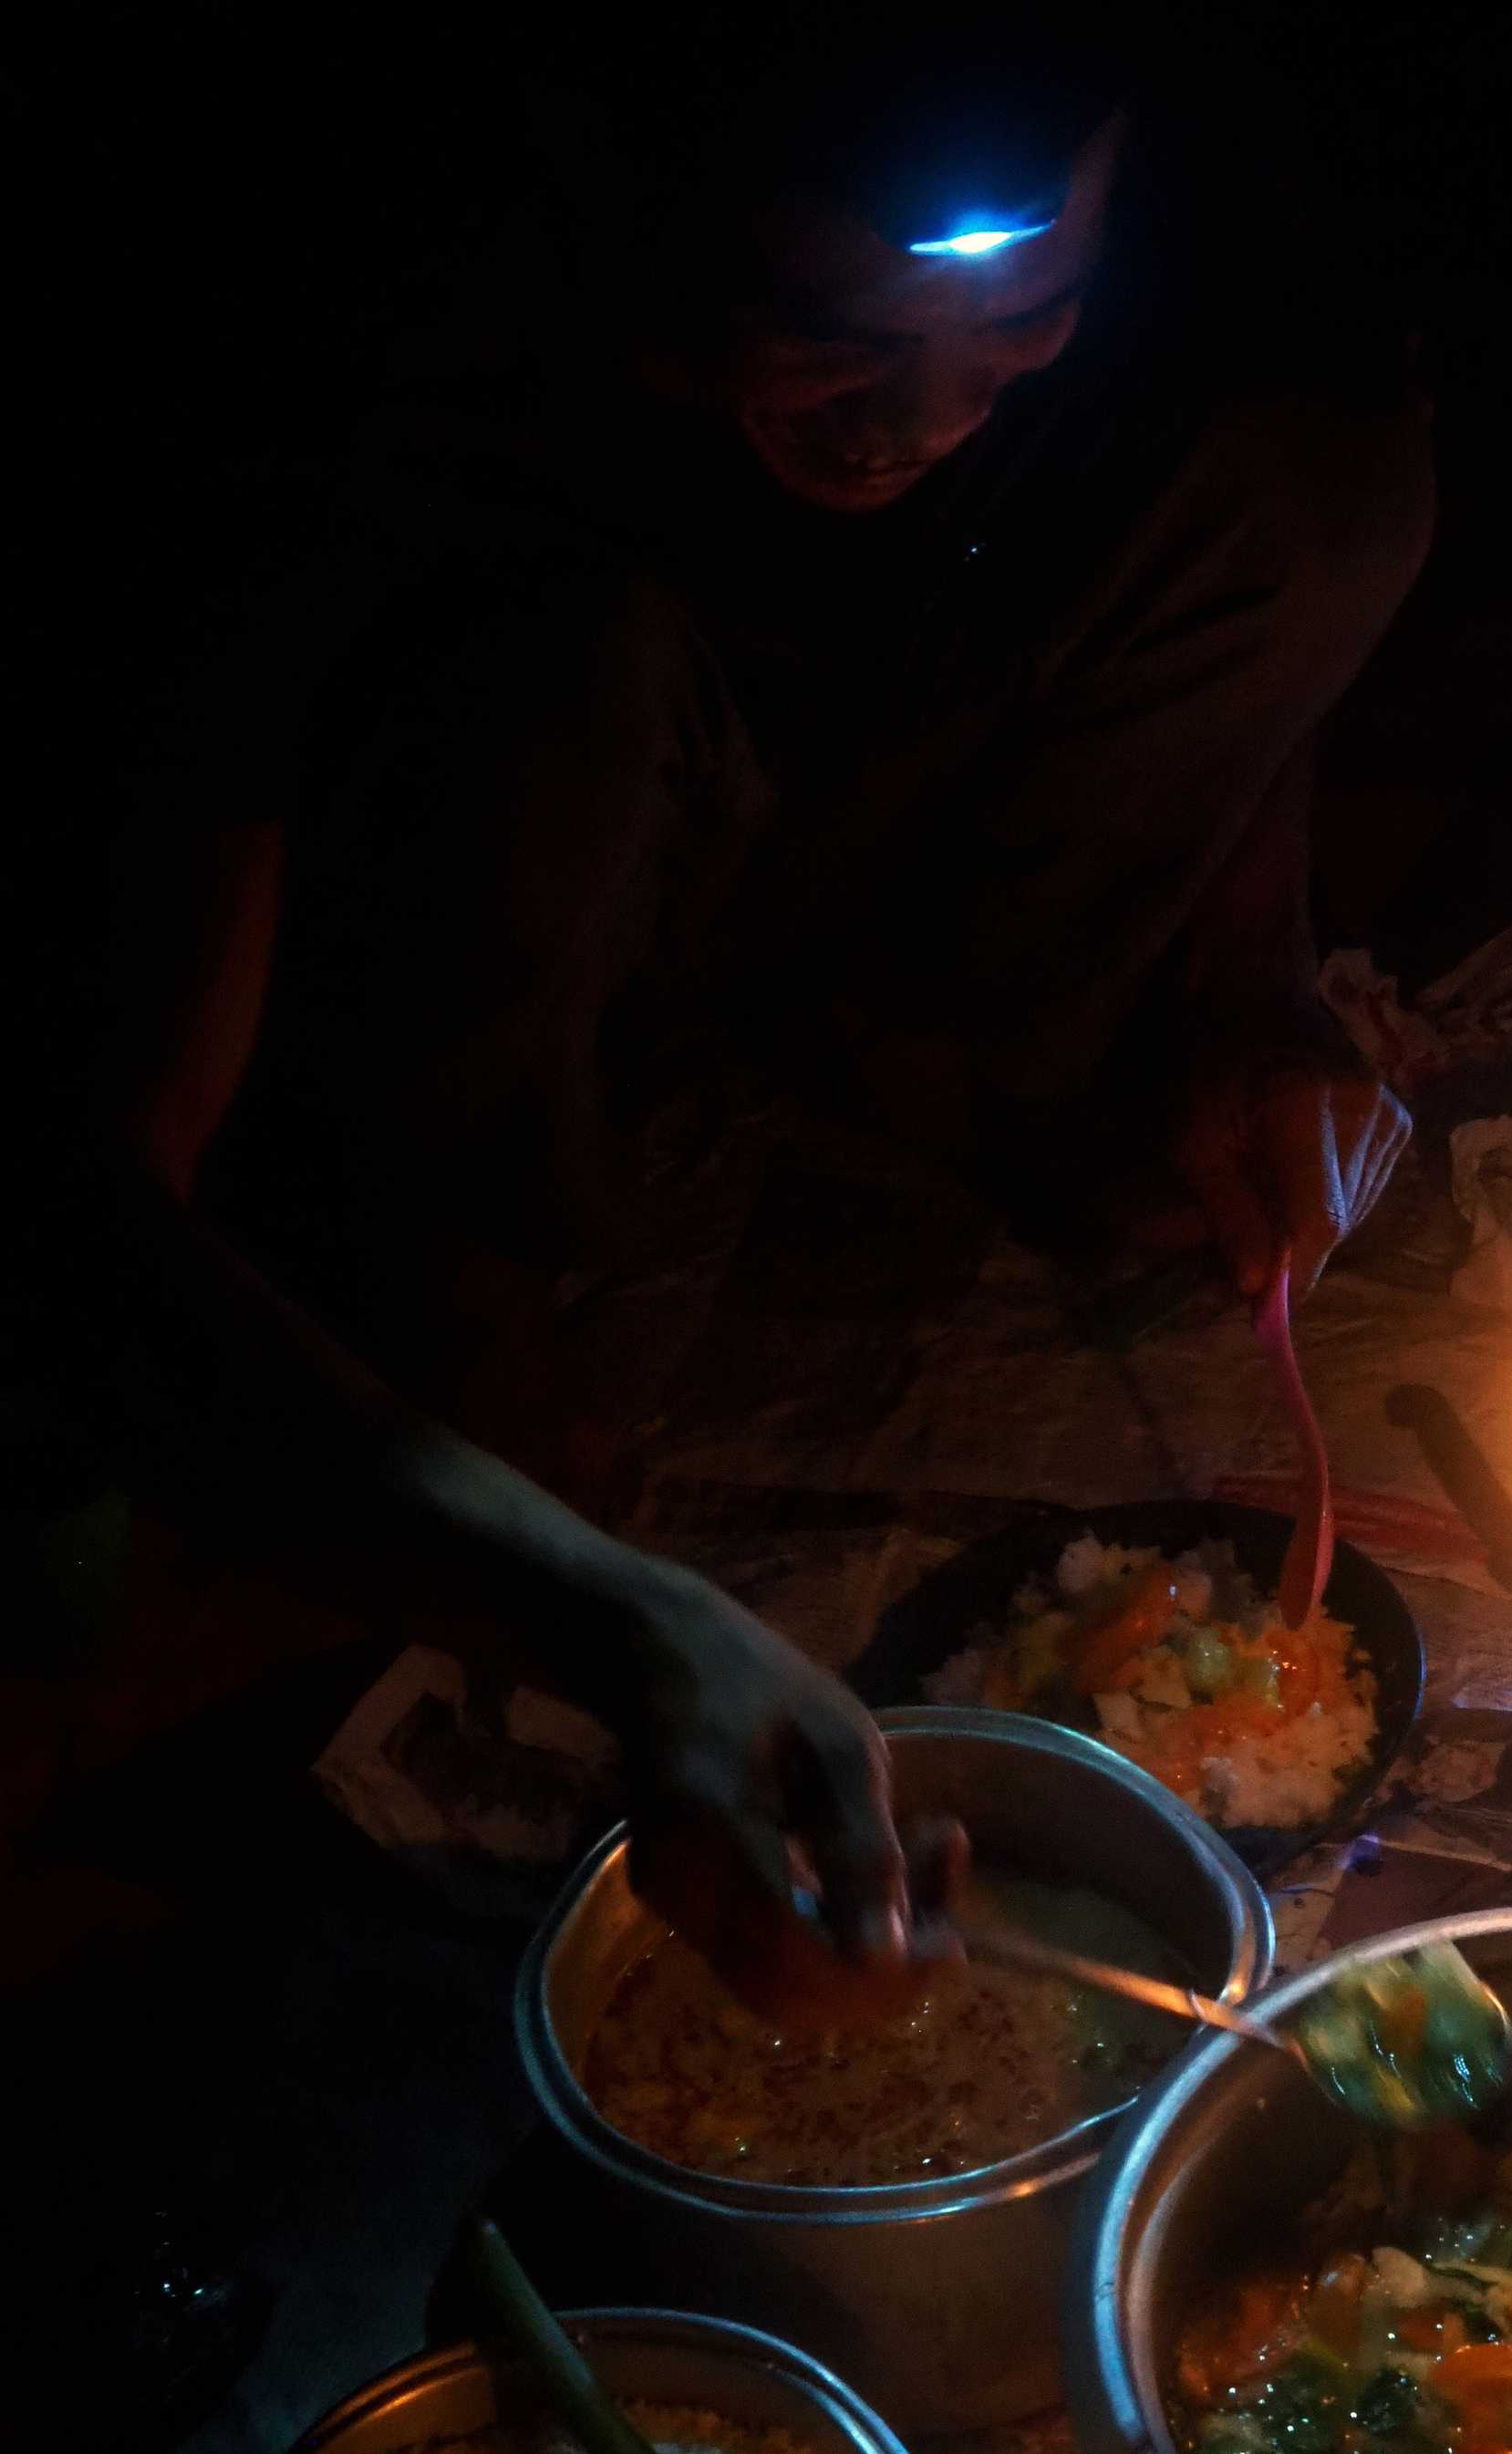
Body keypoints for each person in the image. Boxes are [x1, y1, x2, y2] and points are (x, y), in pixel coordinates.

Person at [31, 0, 1430, 2009]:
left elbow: (1249, 631)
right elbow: (89, 1225)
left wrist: (1251, 995)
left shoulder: (1209, 244)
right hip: (556, 822)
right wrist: (614, 1622)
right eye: (827, 335)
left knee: (1320, 477)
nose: (922, 414)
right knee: (554, 689)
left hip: (872, 863)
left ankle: (982, 1079)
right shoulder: (384, 350)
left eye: (1013, 323)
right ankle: (460, 1383)